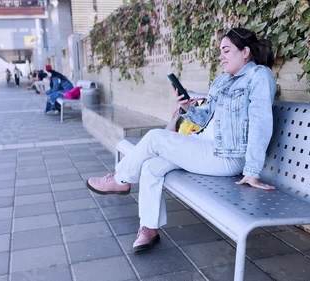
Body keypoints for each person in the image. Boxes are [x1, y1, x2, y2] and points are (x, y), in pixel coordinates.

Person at [86, 27, 277, 252]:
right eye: (220, 52)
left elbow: (260, 124)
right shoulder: (222, 81)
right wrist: (187, 107)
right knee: (151, 166)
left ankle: (120, 179)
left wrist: (252, 171)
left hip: (227, 156)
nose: (221, 57)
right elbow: (206, 118)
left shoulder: (259, 76)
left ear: (245, 52)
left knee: (156, 137)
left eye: (226, 51)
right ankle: (149, 228)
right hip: (204, 146)